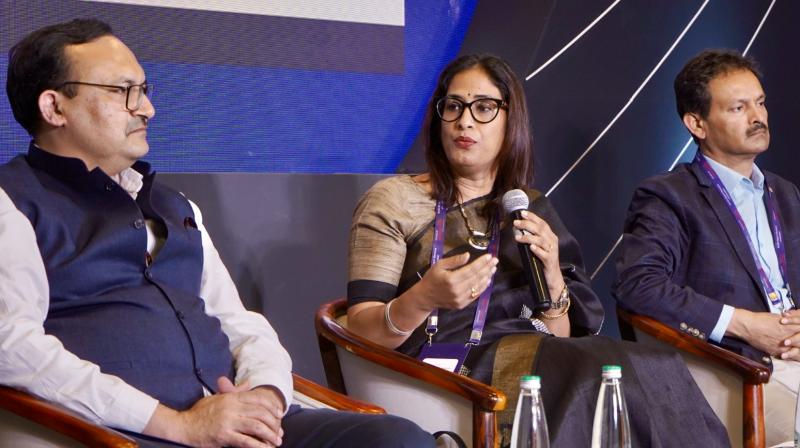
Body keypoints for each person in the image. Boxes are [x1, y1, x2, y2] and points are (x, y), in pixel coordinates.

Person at [0, 18, 435, 448]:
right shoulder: (12, 202)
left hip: (235, 417)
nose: (147, 109)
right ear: (54, 108)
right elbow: (11, 346)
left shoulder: (177, 205)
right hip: (134, 433)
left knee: (396, 438)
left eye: (145, 90)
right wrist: (174, 424)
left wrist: (265, 394)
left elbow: (238, 322)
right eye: (122, 91)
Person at [346, 53, 729, 447]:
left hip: (536, 354)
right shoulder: (396, 200)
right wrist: (424, 298)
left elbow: (558, 334)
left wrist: (552, 278)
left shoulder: (527, 207)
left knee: (652, 365)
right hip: (448, 365)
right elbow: (359, 329)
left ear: (510, 121)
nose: (464, 121)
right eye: (454, 106)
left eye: (483, 108)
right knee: (587, 369)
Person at [613, 49, 800, 445]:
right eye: (738, 108)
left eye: (760, 102)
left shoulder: (785, 194)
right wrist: (746, 325)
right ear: (697, 123)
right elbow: (638, 285)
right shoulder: (669, 196)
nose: (758, 117)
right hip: (736, 368)